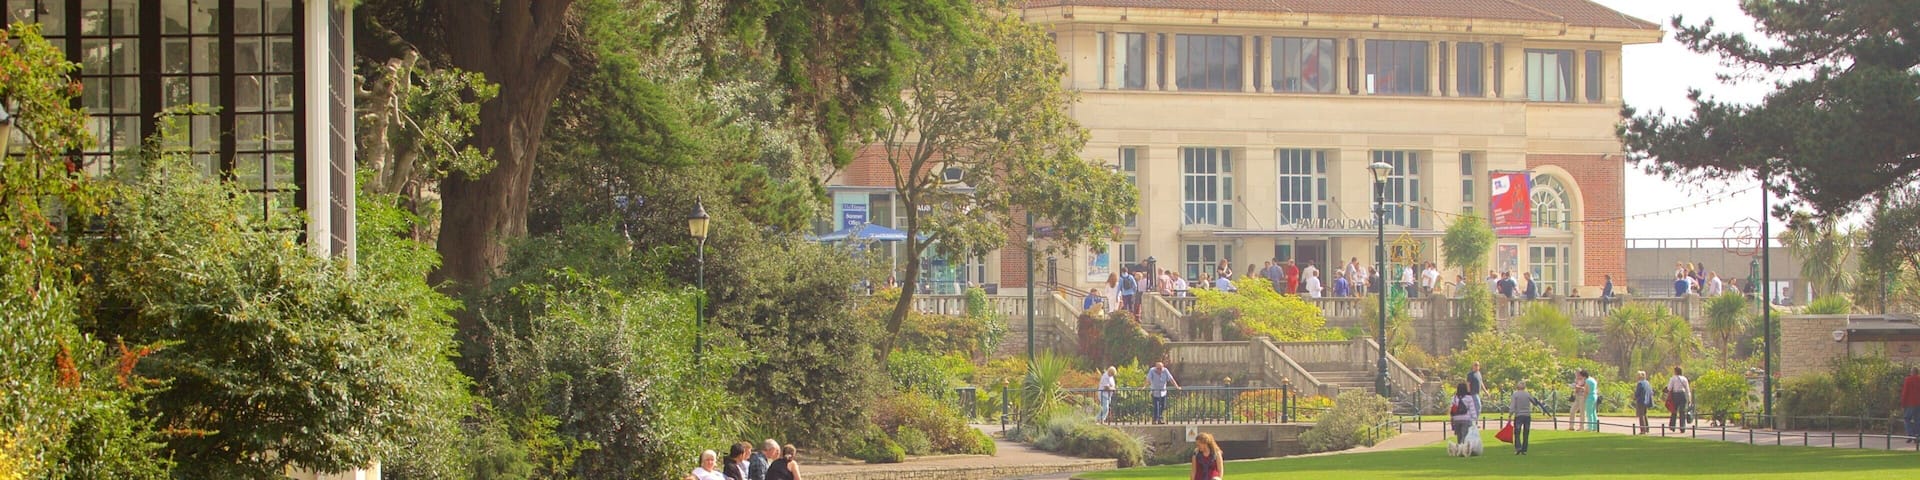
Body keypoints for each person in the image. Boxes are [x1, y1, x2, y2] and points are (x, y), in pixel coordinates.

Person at [1510, 380, 1547, 455]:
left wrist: (1510, 414)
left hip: (1518, 415)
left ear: (1517, 387)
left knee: (1517, 432)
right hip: (1527, 415)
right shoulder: (1527, 394)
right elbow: (1534, 402)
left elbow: (1513, 405)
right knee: (1526, 432)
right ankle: (1524, 449)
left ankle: (1518, 448)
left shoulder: (1515, 394)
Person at [1666, 366, 1692, 433]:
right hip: (1682, 395)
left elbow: (1669, 388)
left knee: (1674, 411)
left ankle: (1672, 426)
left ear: (1675, 372)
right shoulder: (1684, 379)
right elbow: (1687, 389)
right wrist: (1689, 398)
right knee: (1682, 412)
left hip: (1675, 395)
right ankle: (1682, 427)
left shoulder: (1673, 378)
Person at [1902, 366, 1920, 443]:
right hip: (1918, 403)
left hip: (1910, 403)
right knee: (1917, 420)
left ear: (1912, 372)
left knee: (1907, 419)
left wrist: (1903, 403)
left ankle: (1910, 435)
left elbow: (1905, 392)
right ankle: (1917, 436)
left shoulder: (1908, 379)